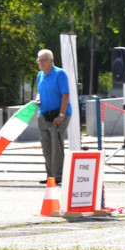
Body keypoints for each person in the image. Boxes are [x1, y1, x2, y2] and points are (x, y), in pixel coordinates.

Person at [35, 49, 72, 185]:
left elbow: (65, 95)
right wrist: (38, 98)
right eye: (39, 60)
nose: (41, 63)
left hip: (58, 114)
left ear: (51, 61)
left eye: (44, 60)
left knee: (56, 145)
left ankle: (59, 175)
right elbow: (39, 92)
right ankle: (50, 175)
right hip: (44, 115)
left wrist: (61, 115)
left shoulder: (60, 74)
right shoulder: (40, 75)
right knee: (46, 145)